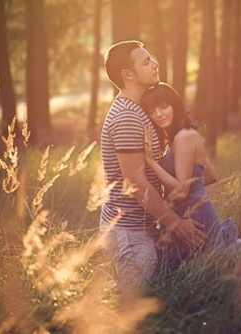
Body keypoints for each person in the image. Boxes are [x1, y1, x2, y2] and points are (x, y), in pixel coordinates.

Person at [99, 41, 206, 303]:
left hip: (143, 228)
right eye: (146, 62)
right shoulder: (127, 116)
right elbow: (135, 183)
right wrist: (177, 225)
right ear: (128, 75)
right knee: (133, 310)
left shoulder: (140, 111)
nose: (155, 64)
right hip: (128, 232)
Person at [141, 82, 238, 271]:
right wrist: (196, 187)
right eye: (152, 111)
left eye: (163, 107)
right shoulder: (182, 135)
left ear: (174, 105)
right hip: (197, 213)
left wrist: (151, 162)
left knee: (206, 273)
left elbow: (180, 191)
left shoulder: (184, 137)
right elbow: (210, 176)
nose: (159, 114)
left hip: (196, 218)